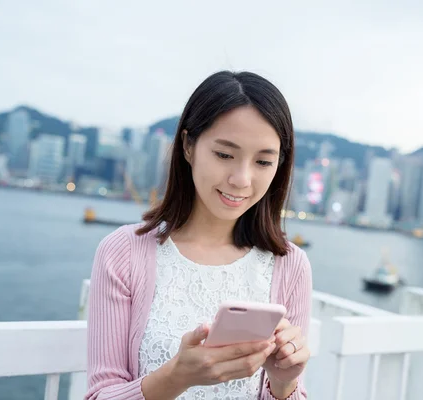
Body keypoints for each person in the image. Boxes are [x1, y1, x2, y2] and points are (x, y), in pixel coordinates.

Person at [85, 70, 312, 400]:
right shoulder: (124, 252)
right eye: (224, 154)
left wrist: (284, 383)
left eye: (263, 161)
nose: (241, 179)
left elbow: (290, 390)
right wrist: (176, 377)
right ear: (189, 146)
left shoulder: (290, 265)